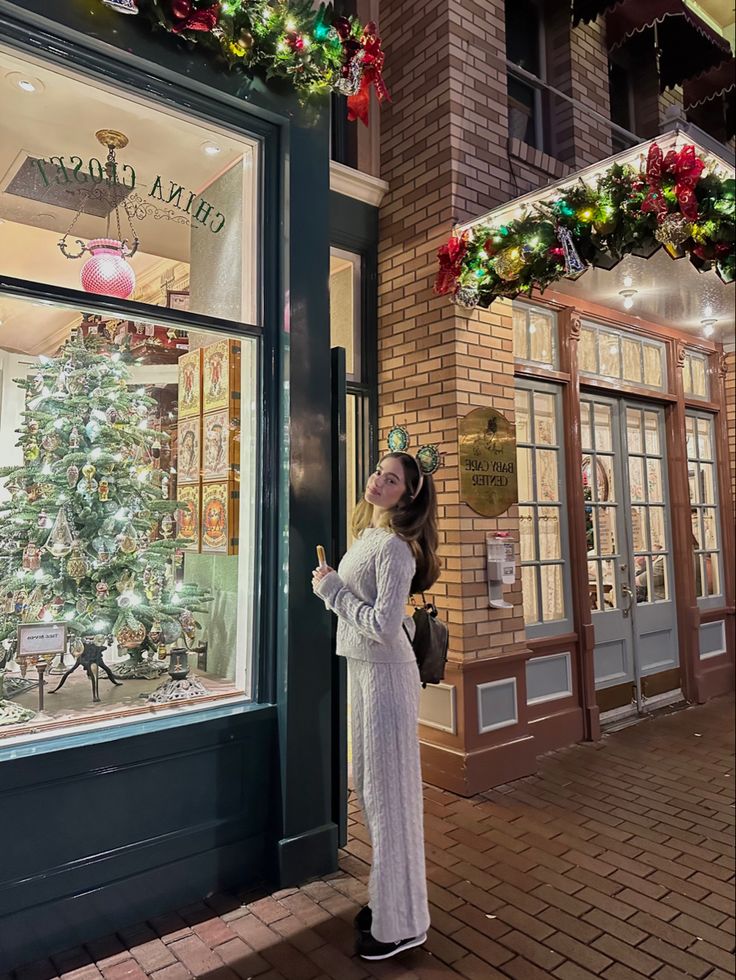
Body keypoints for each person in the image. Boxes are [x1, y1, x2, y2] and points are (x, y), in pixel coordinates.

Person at [312, 451, 440, 961]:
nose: (378, 482)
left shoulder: (396, 549)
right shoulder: (369, 536)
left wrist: (332, 591)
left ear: (408, 495)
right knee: (369, 789)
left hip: (386, 678)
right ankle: (390, 903)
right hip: (363, 671)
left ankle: (403, 922)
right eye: (377, 473)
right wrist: (335, 588)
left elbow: (385, 626)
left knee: (391, 800)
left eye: (391, 480)